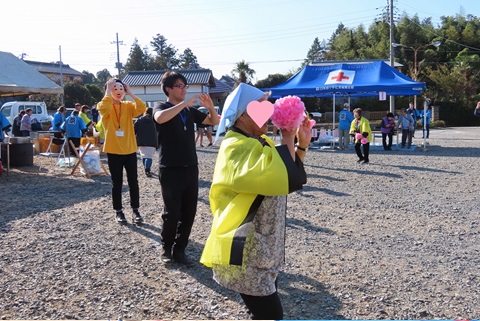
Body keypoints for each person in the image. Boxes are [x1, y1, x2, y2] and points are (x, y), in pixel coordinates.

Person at [200, 83, 310, 320]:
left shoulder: (258, 142)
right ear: (244, 114)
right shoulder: (235, 146)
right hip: (245, 247)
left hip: (264, 246)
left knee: (260, 312)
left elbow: (288, 175)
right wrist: (288, 137)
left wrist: (301, 143)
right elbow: (276, 176)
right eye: (262, 107)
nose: (269, 112)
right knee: (271, 315)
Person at [152, 71, 219, 266]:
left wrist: (210, 108)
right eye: (179, 86)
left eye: (185, 86)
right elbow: (160, 118)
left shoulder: (189, 111)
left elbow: (213, 121)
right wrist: (184, 104)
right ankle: (166, 248)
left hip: (190, 166)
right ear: (168, 89)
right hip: (170, 167)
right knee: (171, 212)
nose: (183, 90)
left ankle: (180, 249)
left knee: (189, 212)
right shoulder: (161, 106)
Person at [98, 78, 147, 224]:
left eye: (121, 89)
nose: (118, 92)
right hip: (113, 151)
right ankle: (118, 211)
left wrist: (131, 93)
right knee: (117, 183)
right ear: (108, 91)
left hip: (130, 149)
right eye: (115, 89)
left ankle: (135, 210)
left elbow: (142, 108)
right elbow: (102, 108)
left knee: (133, 181)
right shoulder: (105, 106)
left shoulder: (128, 106)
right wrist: (107, 90)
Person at [134, 107, 158, 177]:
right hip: (152, 141)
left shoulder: (139, 120)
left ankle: (146, 168)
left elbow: (134, 130)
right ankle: (147, 170)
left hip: (141, 141)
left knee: (143, 156)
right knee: (149, 157)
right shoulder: (155, 120)